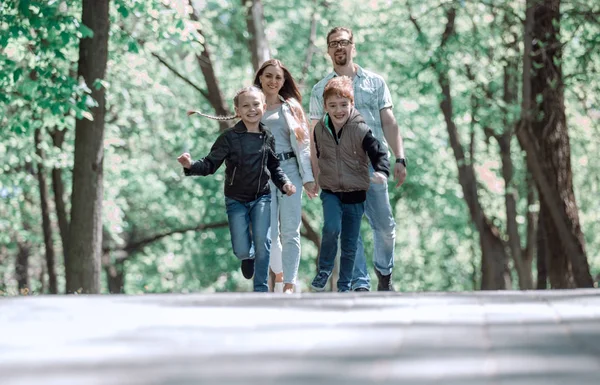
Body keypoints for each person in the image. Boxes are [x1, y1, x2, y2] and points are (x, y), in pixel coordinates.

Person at [309, 26, 407, 292]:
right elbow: (315, 137)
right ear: (328, 50)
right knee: (348, 227)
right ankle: (360, 283)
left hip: (373, 165)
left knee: (385, 227)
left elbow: (389, 122)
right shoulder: (320, 90)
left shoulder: (375, 82)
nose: (339, 47)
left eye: (344, 42)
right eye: (333, 43)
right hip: (339, 169)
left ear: (353, 46)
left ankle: (384, 273)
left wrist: (400, 157)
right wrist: (315, 174)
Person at [177, 86, 297, 292]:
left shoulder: (267, 136)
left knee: (263, 242)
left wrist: (285, 183)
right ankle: (246, 256)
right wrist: (190, 166)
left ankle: (261, 288)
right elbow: (209, 164)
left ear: (264, 107)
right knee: (241, 248)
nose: (252, 109)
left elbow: (274, 166)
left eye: (256, 104)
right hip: (236, 200)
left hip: (262, 197)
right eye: (246, 106)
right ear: (238, 110)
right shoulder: (229, 137)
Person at [310, 76, 390, 292]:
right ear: (325, 106)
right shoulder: (319, 130)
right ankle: (324, 269)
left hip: (356, 193)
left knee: (349, 244)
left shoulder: (360, 129)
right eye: (333, 106)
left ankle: (344, 285)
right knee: (331, 228)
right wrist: (315, 178)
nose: (339, 110)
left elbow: (378, 151)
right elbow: (318, 154)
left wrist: (382, 171)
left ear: (351, 104)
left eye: (343, 105)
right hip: (331, 191)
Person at [253, 59, 316, 294]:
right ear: (260, 77)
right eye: (268, 76)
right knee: (266, 233)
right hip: (263, 174)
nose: (273, 81)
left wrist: (308, 178)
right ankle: (279, 273)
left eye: (278, 77)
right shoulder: (252, 107)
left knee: (290, 230)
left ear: (283, 81)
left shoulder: (291, 107)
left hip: (289, 170)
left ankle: (289, 283)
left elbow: (304, 145)